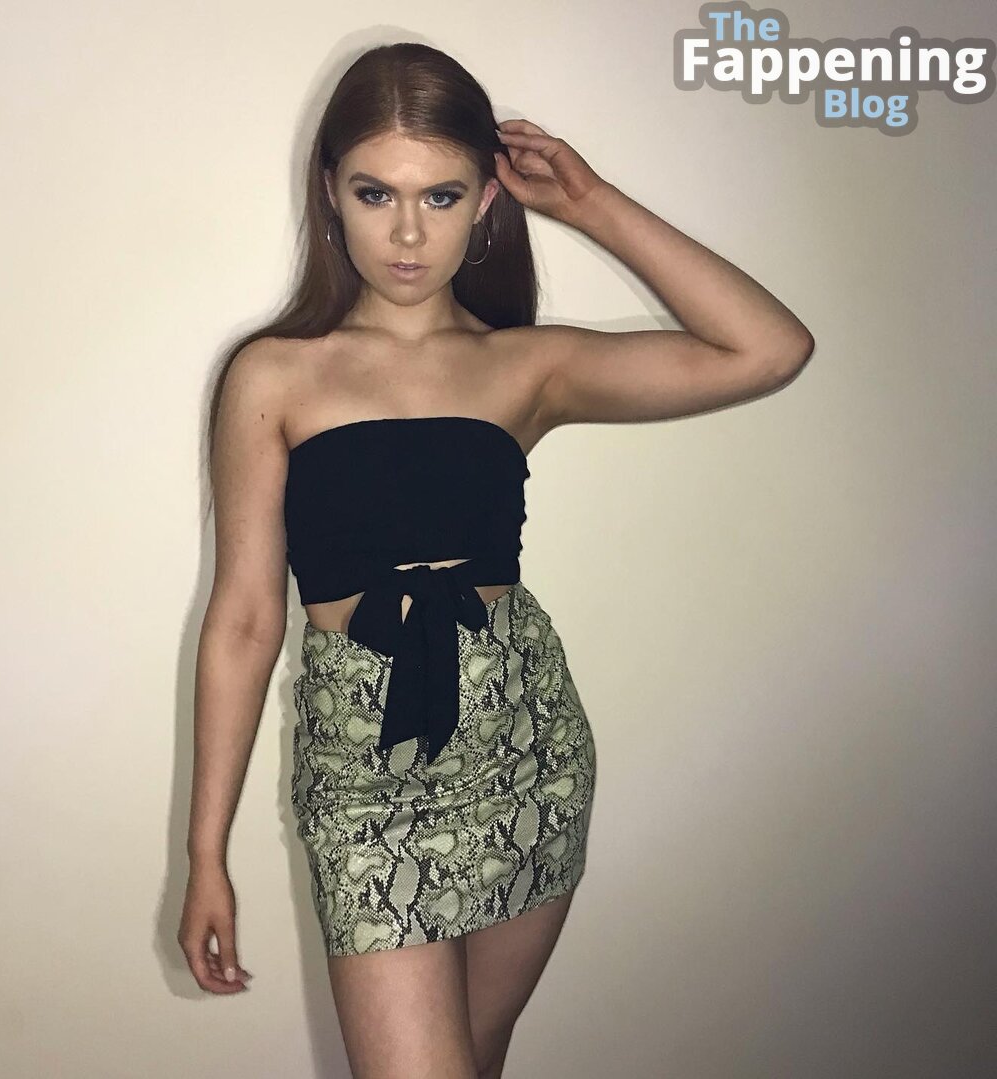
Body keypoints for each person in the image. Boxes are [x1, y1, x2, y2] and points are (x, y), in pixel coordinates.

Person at [179, 41, 814, 1079]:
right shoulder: (273, 376)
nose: (407, 232)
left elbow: (770, 348)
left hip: (525, 748)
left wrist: (592, 203)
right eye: (376, 192)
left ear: (484, 201)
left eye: (441, 195)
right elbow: (245, 618)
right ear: (330, 191)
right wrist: (205, 851)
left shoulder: (527, 364)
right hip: (365, 773)